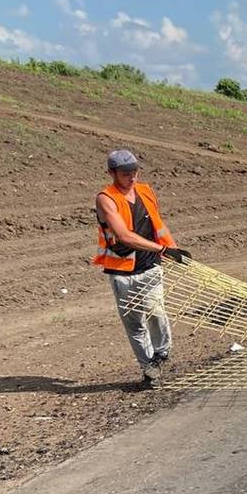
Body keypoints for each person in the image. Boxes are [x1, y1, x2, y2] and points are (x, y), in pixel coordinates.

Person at [93, 150, 191, 387]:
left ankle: (160, 355)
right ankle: (148, 368)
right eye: (126, 174)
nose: (132, 177)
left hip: (150, 267)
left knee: (156, 313)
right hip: (122, 271)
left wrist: (173, 249)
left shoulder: (146, 191)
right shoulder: (106, 198)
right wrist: (162, 250)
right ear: (112, 173)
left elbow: (158, 224)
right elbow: (124, 235)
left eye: (135, 172)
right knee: (135, 323)